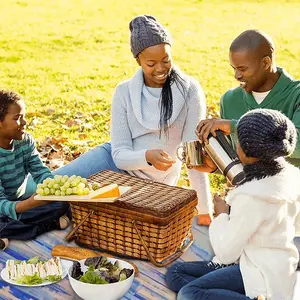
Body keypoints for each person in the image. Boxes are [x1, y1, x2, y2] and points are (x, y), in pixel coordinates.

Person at [40, 15, 212, 224]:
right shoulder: (124, 92)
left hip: (150, 186)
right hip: (113, 162)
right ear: (138, 61)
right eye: (151, 63)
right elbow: (119, 154)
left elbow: (193, 158)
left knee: (84, 212)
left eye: (166, 60)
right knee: (47, 188)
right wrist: (147, 156)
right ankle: (10, 213)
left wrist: (205, 212)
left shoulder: (190, 91)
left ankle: (53, 218)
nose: (160, 68)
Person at [166, 109, 300, 300]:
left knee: (188, 293)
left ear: (244, 151)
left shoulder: (251, 197)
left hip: (259, 274)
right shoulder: (292, 178)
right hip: (272, 266)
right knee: (176, 273)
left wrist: (222, 215)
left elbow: (226, 253)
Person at [195, 29, 300, 172]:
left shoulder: (296, 95)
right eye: (234, 68)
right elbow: (239, 162)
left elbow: (296, 143)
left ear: (266, 63)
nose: (236, 75)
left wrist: (235, 127)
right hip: (249, 190)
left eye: (242, 69)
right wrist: (215, 167)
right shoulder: (230, 100)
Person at [0, 90, 70, 243]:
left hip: (20, 201)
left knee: (64, 204)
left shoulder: (25, 141)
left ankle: (13, 231)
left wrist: (53, 189)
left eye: (24, 116)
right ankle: (45, 225)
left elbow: (40, 172)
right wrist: (29, 204)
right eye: (18, 118)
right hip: (4, 207)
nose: (25, 122)